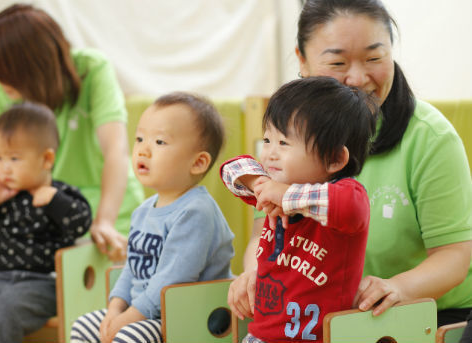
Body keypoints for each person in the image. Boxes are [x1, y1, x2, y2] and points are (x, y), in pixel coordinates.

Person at [228, 0, 472, 328]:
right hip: (316, 320)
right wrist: (256, 272)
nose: (357, 78)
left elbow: (454, 256)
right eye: (337, 61)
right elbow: (264, 232)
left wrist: (398, 287)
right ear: (302, 60)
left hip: (419, 317)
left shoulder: (429, 136)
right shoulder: (288, 135)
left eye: (374, 58)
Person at [0, 3, 144, 261]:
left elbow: (115, 150)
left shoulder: (91, 69)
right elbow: (10, 161)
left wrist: (105, 221)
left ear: (30, 65)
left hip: (112, 207)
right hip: (49, 213)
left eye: (0, 69)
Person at [69, 92, 235, 343]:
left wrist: (127, 318)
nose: (143, 150)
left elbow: (173, 279)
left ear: (198, 162)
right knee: (84, 326)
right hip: (147, 314)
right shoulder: (144, 210)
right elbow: (131, 269)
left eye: (159, 142)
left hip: (191, 316)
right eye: (139, 138)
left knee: (128, 336)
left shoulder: (196, 212)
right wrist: (115, 308)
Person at [221, 77, 377, 343]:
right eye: (267, 140)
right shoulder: (272, 190)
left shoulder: (346, 197)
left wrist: (286, 195)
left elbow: (350, 206)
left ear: (335, 159)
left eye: (284, 143)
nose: (270, 153)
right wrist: (260, 184)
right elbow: (230, 169)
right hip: (260, 336)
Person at [0, 103, 92, 343]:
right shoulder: (5, 198)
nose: (4, 167)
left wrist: (55, 200)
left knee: (5, 307)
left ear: (47, 159)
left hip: (41, 286)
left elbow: (81, 223)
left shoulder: (60, 194)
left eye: (14, 158)